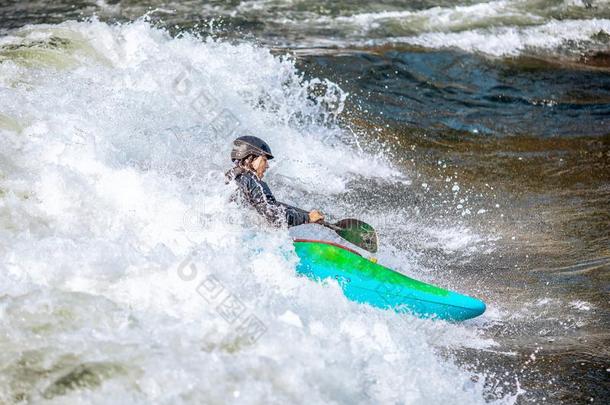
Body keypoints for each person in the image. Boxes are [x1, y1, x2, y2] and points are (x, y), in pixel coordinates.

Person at [225, 136, 325, 227]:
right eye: (264, 159)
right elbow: (272, 215)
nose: (267, 166)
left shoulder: (231, 178)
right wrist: (307, 218)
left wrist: (304, 214)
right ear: (250, 158)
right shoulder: (254, 183)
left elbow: (268, 206)